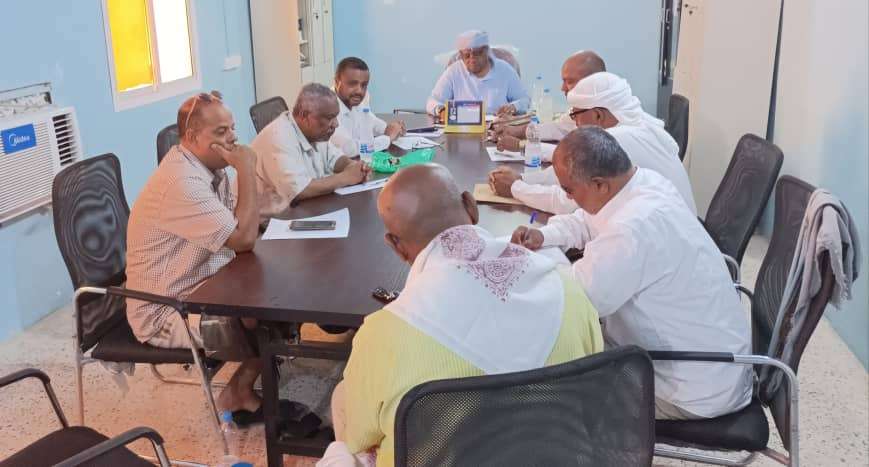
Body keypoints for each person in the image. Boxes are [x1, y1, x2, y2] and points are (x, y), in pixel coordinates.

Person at [324, 163, 603, 466]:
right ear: (471, 205)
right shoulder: (568, 290)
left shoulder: (384, 333)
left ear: (396, 246)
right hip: (559, 455)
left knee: (343, 399)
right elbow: (593, 397)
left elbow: (363, 437)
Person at [511, 127, 752, 420]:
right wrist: (545, 235)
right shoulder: (643, 183)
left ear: (600, 185)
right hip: (715, 361)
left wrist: (522, 269)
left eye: (569, 190)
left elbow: (579, 299)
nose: (567, 197)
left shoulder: (633, 228)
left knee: (552, 390)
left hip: (692, 389)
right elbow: (586, 219)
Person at [125, 90, 265, 423]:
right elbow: (243, 239)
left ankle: (242, 386)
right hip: (164, 310)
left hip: (205, 282)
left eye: (232, 128)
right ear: (191, 137)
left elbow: (239, 227)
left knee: (277, 289)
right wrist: (247, 170)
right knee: (267, 316)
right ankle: (238, 391)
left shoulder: (210, 168)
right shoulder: (181, 182)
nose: (232, 138)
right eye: (221, 132)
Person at [490, 71, 697, 216]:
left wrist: (517, 187)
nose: (574, 122)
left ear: (598, 115)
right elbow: (570, 174)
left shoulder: (619, 140)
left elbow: (569, 203)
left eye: (575, 115)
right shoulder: (636, 126)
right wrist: (524, 179)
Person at [250, 83, 370, 222]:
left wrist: (353, 167)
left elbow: (335, 158)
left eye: (336, 117)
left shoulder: (316, 133)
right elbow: (299, 191)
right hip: (267, 225)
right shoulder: (278, 136)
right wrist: (346, 177)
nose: (336, 124)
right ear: (304, 115)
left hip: (301, 211)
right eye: (330, 118)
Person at [490, 50, 606, 148]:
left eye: (570, 81)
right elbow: (558, 128)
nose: (562, 88)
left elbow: (580, 154)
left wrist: (522, 146)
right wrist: (516, 131)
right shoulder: (582, 107)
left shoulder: (604, 113)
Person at [426, 30, 529, 117]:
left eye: (476, 53)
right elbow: (432, 101)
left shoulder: (505, 70)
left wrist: (513, 107)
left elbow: (525, 100)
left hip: (498, 128)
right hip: (462, 129)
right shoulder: (454, 71)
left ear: (486, 51)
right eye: (467, 55)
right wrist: (441, 111)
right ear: (461, 55)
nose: (472, 59)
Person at [330, 57, 406, 156]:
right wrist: (387, 138)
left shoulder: (359, 99)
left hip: (358, 163)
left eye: (364, 85)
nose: (359, 91)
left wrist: (394, 128)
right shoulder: (327, 108)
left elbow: (372, 121)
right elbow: (349, 149)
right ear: (337, 82)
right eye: (353, 84)